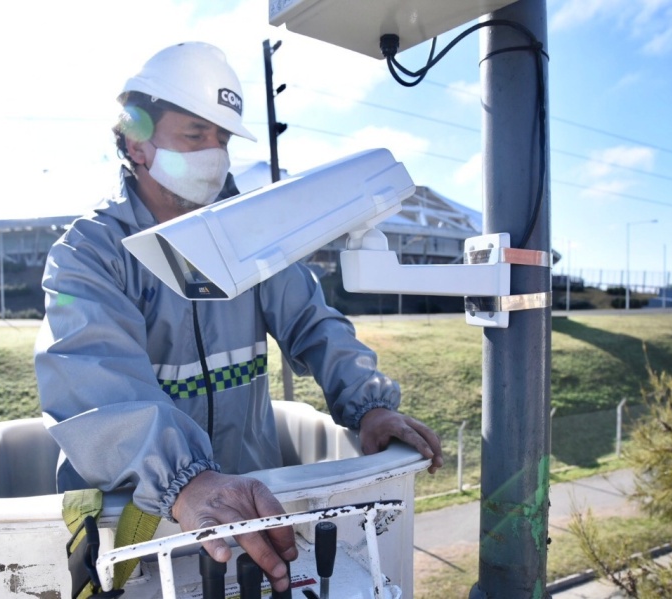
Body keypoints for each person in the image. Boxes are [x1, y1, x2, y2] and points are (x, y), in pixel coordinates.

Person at [34, 41, 443, 593]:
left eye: (222, 138)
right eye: (196, 135)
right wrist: (186, 480)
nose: (215, 154)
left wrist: (368, 406)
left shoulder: (247, 233)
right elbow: (93, 377)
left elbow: (313, 321)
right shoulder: (91, 252)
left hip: (254, 515)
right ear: (137, 139)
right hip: (137, 530)